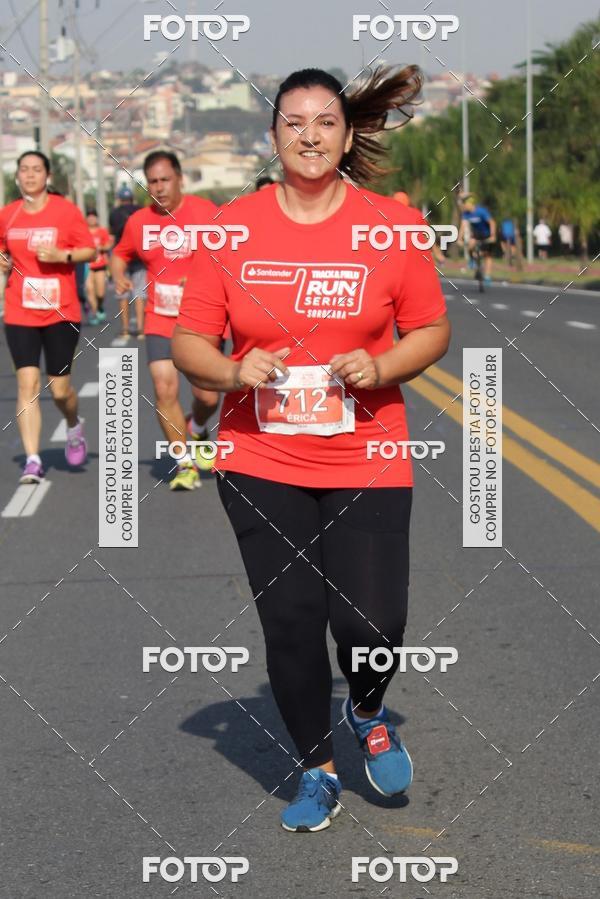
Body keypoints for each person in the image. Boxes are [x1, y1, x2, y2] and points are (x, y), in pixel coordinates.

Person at [173, 66, 450, 831]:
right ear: (273, 136)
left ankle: (365, 706)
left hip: (367, 449)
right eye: (293, 122)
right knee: (292, 621)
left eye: (325, 122)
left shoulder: (389, 224)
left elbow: (431, 326)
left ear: (348, 134)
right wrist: (232, 369)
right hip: (262, 455)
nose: (309, 136)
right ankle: (317, 770)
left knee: (373, 621)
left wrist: (383, 364)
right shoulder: (232, 227)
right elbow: (187, 338)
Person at [111, 151, 220, 491]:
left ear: (180, 178)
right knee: (163, 385)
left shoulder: (206, 213)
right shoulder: (138, 221)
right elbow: (120, 253)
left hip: (203, 317)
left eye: (165, 179)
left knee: (207, 398)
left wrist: (202, 280)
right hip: (160, 317)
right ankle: (184, 462)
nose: (159, 187)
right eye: (152, 181)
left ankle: (199, 429)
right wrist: (118, 275)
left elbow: (231, 254)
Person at [0, 150, 96, 483]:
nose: (29, 175)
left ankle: (73, 424)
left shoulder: (65, 212)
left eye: (36, 170)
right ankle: (33, 460)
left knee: (59, 391)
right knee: (27, 383)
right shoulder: (8, 215)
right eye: (24, 170)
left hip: (60, 311)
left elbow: (89, 250)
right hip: (19, 310)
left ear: (48, 176)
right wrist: (3, 260)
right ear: (17, 176)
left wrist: (62, 254)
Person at [109, 185, 146, 340]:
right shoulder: (140, 211)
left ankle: (125, 330)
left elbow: (112, 233)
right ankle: (141, 329)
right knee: (139, 293)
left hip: (120, 257)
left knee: (122, 292)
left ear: (119, 199)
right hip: (139, 255)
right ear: (132, 198)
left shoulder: (114, 213)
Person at [458, 194, 497, 283]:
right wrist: (459, 238)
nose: (464, 207)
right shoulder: (465, 213)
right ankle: (472, 260)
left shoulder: (481, 211)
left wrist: (493, 235)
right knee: (471, 243)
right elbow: (463, 226)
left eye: (465, 205)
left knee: (488, 255)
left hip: (487, 234)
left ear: (470, 204)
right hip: (476, 234)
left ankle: (487, 276)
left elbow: (492, 223)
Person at [85, 209, 113, 325]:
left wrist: (101, 248)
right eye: (89, 217)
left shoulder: (102, 231)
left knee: (100, 293)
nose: (91, 219)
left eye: (93, 217)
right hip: (87, 265)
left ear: (97, 218)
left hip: (100, 265)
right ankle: (94, 312)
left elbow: (109, 244)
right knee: (89, 289)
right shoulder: (83, 231)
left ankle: (99, 306)